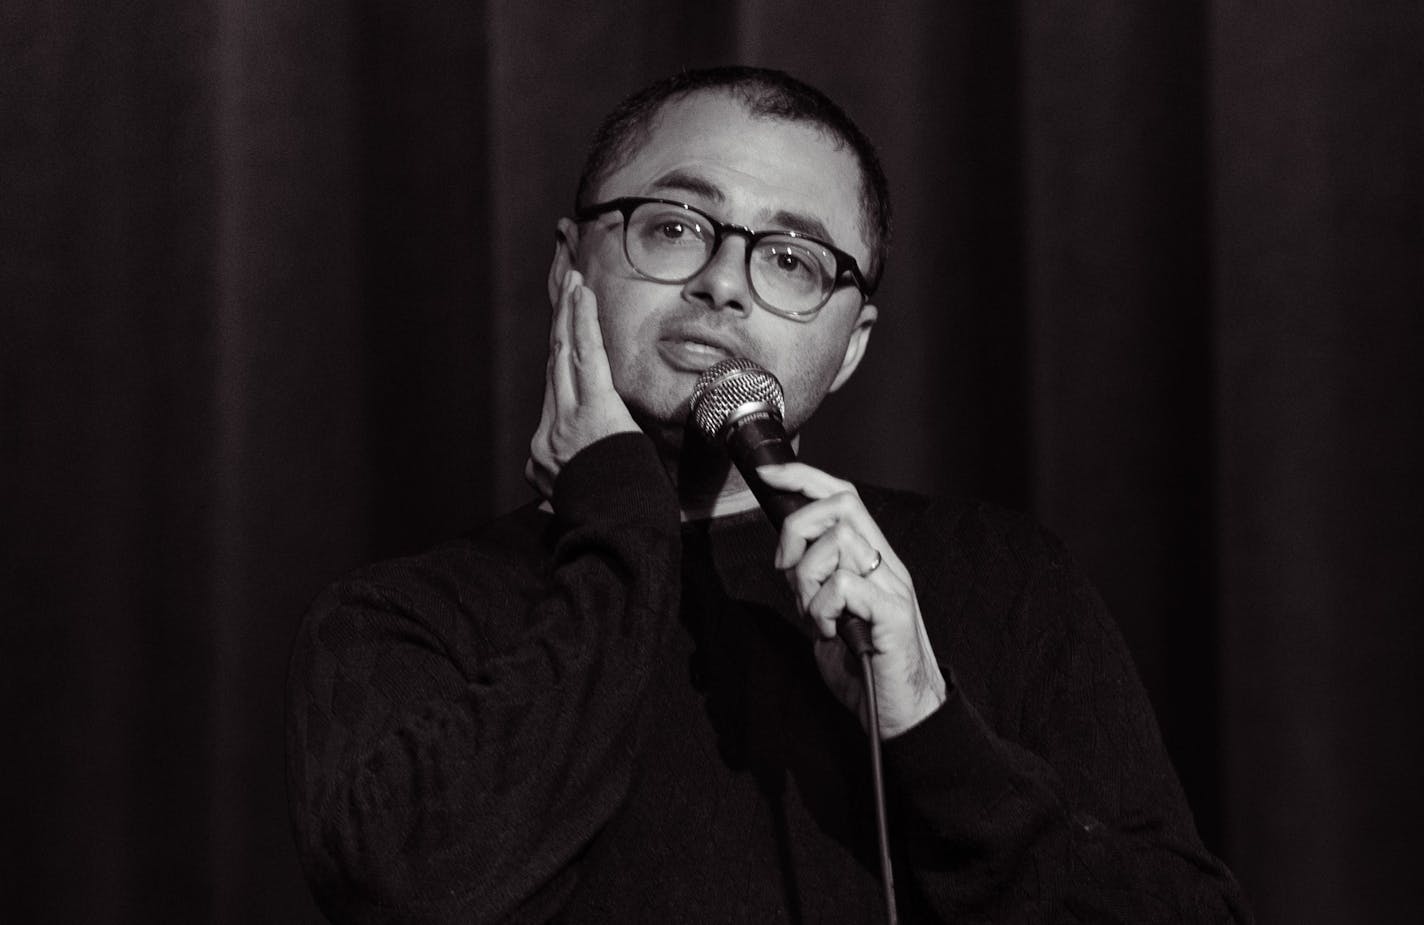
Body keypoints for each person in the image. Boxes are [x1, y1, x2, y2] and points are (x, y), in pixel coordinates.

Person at [286, 66, 1251, 923]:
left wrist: (927, 725)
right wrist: (621, 525)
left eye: (790, 259)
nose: (723, 285)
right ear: (568, 268)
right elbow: (406, 890)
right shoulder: (400, 616)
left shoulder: (997, 580)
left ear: (852, 345)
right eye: (673, 227)